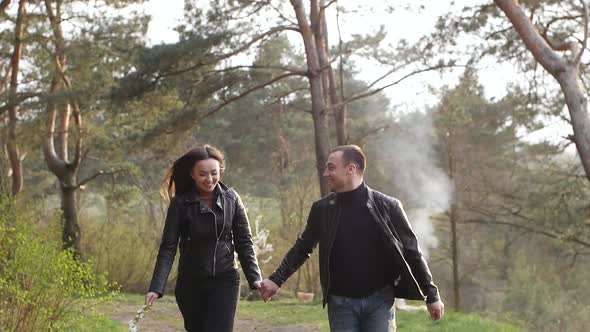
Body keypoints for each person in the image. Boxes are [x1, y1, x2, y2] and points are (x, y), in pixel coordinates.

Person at [259, 145, 444, 332]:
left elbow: (412, 252)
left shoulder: (388, 206)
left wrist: (432, 295)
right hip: (341, 304)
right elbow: (303, 247)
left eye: (331, 167)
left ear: (351, 169)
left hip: (380, 302)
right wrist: (276, 280)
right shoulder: (322, 210)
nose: (325, 173)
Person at [145, 145, 262, 332]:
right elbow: (168, 248)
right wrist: (156, 287)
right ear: (192, 174)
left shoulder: (232, 199)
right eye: (203, 174)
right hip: (190, 284)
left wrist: (255, 278)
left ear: (220, 172)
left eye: (214, 173)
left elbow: (244, 242)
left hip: (225, 279)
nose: (209, 179)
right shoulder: (180, 203)